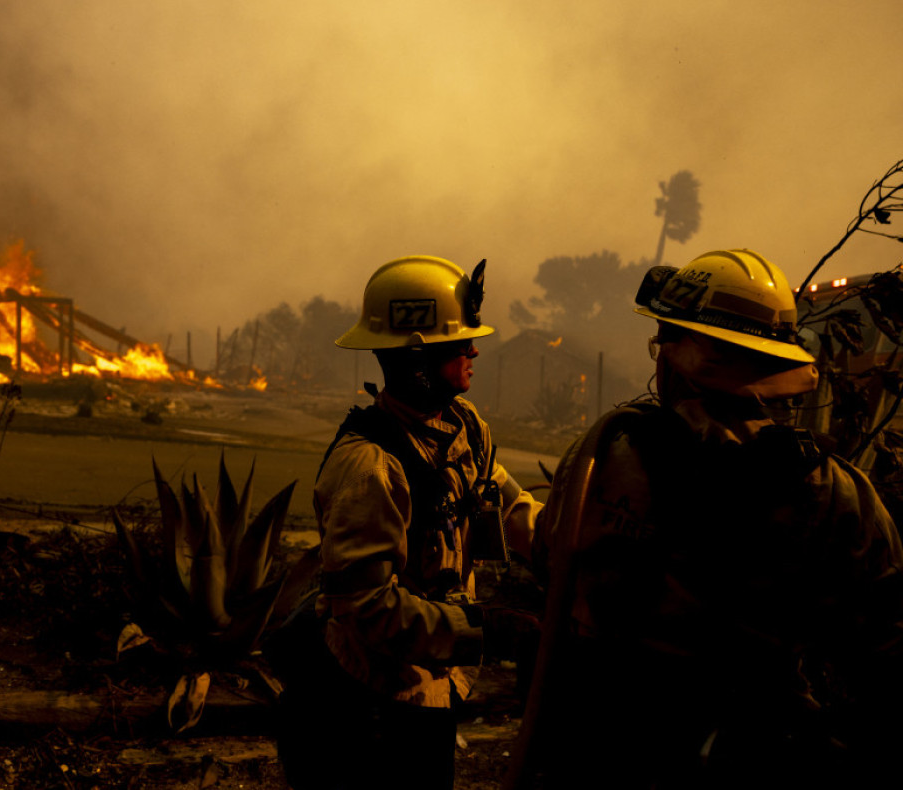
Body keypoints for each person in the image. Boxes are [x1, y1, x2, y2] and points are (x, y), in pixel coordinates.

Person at [505, 249, 903, 789]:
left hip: (605, 745)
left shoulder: (610, 452)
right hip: (757, 751)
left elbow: (556, 563)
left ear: (673, 359)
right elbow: (884, 648)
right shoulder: (839, 492)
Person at [270, 255, 543, 790]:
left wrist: (572, 543)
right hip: (368, 705)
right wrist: (487, 630)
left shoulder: (462, 427)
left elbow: (506, 505)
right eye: (460, 342)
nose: (474, 350)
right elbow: (366, 609)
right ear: (417, 359)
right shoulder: (370, 468)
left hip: (431, 684)